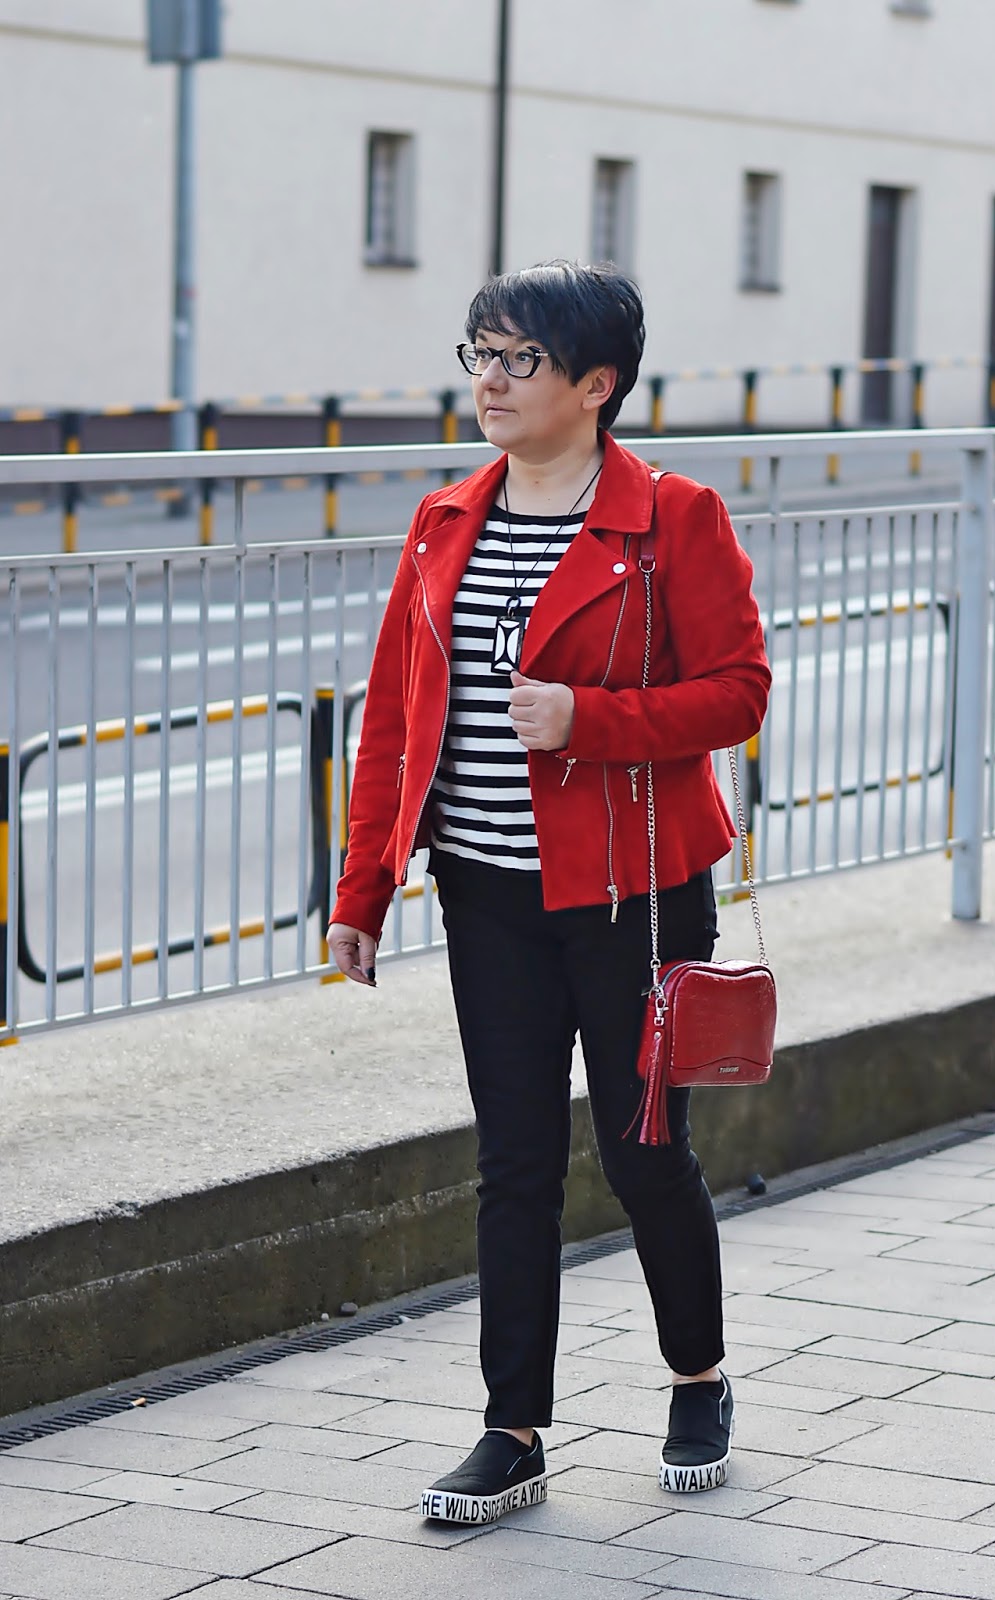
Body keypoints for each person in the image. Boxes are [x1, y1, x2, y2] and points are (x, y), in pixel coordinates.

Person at [328, 260, 771, 1524]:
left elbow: (738, 690)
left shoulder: (670, 516)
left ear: (595, 383)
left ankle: (697, 1376)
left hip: (633, 893)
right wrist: (364, 885)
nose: (490, 379)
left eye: (520, 358)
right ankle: (511, 1429)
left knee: (642, 1154)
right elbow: (395, 715)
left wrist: (590, 718)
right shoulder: (443, 519)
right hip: (485, 894)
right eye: (479, 352)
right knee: (512, 1163)